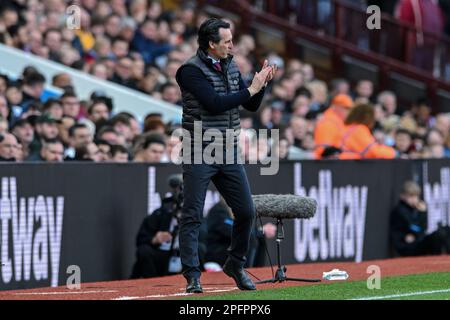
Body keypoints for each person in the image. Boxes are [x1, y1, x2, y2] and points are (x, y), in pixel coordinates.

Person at [175, 18, 275, 293]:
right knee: (192, 214)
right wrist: (250, 90)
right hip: (200, 149)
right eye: (227, 41)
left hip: (228, 149)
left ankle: (235, 263)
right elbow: (214, 104)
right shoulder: (189, 71)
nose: (232, 45)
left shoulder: (230, 64)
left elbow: (249, 104)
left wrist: (261, 84)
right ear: (211, 44)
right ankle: (193, 275)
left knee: (246, 211)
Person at [390, 181, 449, 256]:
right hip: (406, 246)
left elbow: (422, 229)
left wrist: (415, 235)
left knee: (445, 230)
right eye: (411, 196)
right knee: (436, 236)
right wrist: (422, 213)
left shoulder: (414, 209)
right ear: (402, 196)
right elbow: (415, 228)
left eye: (416, 196)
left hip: (416, 241)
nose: (414, 199)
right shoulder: (400, 210)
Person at [313, 94, 354, 159]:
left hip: (336, 161)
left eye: (349, 109)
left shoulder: (338, 121)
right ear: (335, 106)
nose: (348, 112)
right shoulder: (328, 122)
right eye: (345, 108)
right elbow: (323, 151)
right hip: (326, 164)